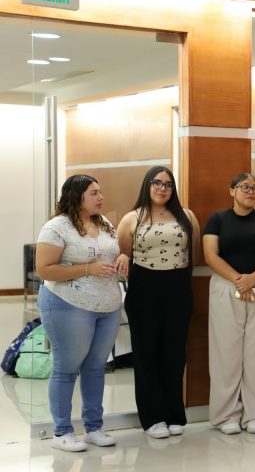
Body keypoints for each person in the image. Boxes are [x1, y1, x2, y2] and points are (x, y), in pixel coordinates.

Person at [35, 174, 129, 452]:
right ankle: (62, 432)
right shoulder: (56, 227)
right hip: (68, 304)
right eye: (93, 193)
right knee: (66, 368)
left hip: (107, 306)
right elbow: (45, 270)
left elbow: (111, 253)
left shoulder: (105, 223)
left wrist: (122, 257)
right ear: (77, 197)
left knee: (96, 367)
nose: (101, 197)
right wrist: (88, 268)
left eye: (100, 192)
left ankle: (93, 428)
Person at [117, 166, 200, 439]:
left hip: (178, 287)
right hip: (144, 288)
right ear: (147, 185)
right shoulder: (132, 218)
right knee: (146, 353)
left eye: (168, 184)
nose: (162, 188)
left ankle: (174, 414)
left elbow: (194, 254)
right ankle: (152, 418)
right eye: (157, 183)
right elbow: (124, 256)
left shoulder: (187, 216)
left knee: (174, 353)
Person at [202, 173, 255, 435]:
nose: (251, 192)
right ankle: (226, 415)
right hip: (227, 288)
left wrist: (253, 279)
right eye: (245, 187)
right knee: (226, 354)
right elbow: (210, 255)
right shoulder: (217, 219)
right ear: (232, 191)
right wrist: (239, 280)